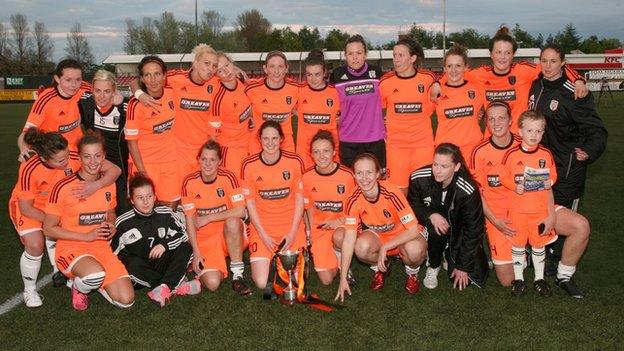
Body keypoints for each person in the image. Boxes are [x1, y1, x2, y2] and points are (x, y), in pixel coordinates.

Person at [470, 102, 591, 298]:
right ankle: (525, 249)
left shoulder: (528, 140)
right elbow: (479, 194)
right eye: (491, 118)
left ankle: (564, 276)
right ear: (486, 122)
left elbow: (545, 183)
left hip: (537, 207)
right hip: (501, 217)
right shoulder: (479, 152)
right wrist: (495, 221)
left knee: (581, 226)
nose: (496, 123)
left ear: (511, 121)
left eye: (501, 117)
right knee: (507, 280)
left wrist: (551, 215)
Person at [9, 129, 121, 307]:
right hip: (31, 208)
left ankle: (70, 273)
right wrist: (57, 221)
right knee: (36, 244)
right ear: (44, 159)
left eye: (68, 155)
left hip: (58, 206)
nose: (68, 161)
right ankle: (29, 290)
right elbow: (26, 208)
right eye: (61, 160)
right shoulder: (29, 167)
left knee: (65, 231)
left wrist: (94, 186)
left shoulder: (75, 156)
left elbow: (114, 170)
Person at [529, 44, 605, 296]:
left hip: (567, 168)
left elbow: (596, 128)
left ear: (563, 63)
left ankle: (560, 264)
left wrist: (590, 151)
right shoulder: (536, 84)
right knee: (542, 210)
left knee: (564, 218)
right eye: (544, 60)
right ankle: (543, 251)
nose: (548, 65)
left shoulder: (575, 92)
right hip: (540, 164)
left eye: (553, 61)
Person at [431, 25, 588, 133]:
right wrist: (438, 83)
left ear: (513, 55)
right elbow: (454, 71)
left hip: (519, 139)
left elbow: (554, 65)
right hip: (491, 139)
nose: (502, 57)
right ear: (491, 54)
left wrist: (578, 80)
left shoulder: (524, 70)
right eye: (498, 52)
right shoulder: (479, 74)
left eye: (507, 53)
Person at [43, 131, 134, 311]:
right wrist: (87, 236)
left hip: (101, 248)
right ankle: (79, 287)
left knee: (127, 300)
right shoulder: (62, 187)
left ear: (104, 156)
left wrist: (112, 225)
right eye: (87, 156)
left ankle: (96, 282)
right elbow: (48, 229)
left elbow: (111, 214)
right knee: (94, 275)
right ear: (79, 158)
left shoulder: (108, 184)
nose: (93, 162)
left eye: (97, 156)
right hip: (71, 248)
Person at [336, 153, 427, 302]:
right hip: (379, 236)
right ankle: (381, 268)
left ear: (378, 173)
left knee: (415, 250)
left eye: (369, 172)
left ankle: (412, 273)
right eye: (359, 173)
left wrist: (385, 248)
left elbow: (413, 229)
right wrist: (343, 277)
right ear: (354, 175)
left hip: (403, 236)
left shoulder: (391, 192)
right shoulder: (353, 198)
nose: (364, 178)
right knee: (360, 247)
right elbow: (348, 240)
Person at [408, 143, 488, 290]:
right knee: (437, 229)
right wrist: (431, 214)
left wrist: (463, 266)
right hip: (429, 226)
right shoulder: (418, 177)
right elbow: (411, 206)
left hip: (458, 230)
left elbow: (474, 229)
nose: (437, 171)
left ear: (456, 167)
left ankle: (447, 250)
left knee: (466, 278)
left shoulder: (468, 189)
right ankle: (434, 265)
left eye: (444, 166)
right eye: (435, 164)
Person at [133, 44, 220, 177]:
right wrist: (140, 94)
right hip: (178, 152)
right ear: (195, 63)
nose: (210, 69)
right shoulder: (175, 78)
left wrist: (239, 71)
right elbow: (135, 81)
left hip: (203, 152)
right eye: (206, 63)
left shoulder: (215, 83)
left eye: (214, 66)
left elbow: (233, 76)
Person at [112, 174, 200, 307]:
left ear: (154, 196)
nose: (146, 202)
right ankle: (175, 286)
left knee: (185, 247)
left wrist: (164, 245)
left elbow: (183, 234)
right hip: (140, 270)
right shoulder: (123, 222)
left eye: (149, 196)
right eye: (140, 198)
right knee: (131, 263)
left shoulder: (165, 213)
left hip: (161, 261)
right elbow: (113, 252)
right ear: (132, 200)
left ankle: (163, 288)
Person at [240, 121, 306, 289]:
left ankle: (288, 256)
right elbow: (250, 203)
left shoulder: (295, 161)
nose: (270, 143)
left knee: (298, 280)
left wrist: (292, 233)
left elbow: (299, 200)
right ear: (259, 140)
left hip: (291, 226)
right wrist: (263, 235)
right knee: (262, 283)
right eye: (266, 138)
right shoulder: (249, 165)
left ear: (282, 139)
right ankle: (270, 258)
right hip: (263, 228)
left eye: (274, 138)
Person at [181, 140, 252, 296]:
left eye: (212, 160)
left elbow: (241, 211)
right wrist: (197, 252)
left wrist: (209, 217)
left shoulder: (229, 177)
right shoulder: (189, 182)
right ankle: (197, 265)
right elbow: (190, 220)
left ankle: (238, 275)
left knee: (233, 222)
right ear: (198, 159)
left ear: (219, 162)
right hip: (205, 238)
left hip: (230, 233)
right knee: (212, 283)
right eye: (204, 159)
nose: (207, 164)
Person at [500, 110, 557, 297]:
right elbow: (503, 177)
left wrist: (551, 181)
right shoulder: (511, 154)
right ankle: (519, 280)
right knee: (517, 245)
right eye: (530, 131)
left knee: (538, 246)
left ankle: (539, 279)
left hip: (539, 212)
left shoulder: (546, 154)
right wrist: (514, 186)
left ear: (543, 132)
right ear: (520, 131)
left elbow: (553, 175)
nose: (534, 135)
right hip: (518, 211)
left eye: (539, 131)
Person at [379, 38, 436, 193]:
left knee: (424, 189)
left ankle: (423, 218)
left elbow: (435, 104)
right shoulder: (385, 82)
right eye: (394, 55)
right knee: (399, 191)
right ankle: (402, 218)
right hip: (396, 145)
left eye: (401, 55)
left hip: (422, 144)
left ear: (413, 58)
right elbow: (380, 110)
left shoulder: (428, 79)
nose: (396, 60)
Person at [125, 55, 180, 210]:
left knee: (170, 209)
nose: (153, 79)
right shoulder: (135, 105)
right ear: (142, 78)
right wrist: (142, 172)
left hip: (170, 161)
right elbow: (131, 142)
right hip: (145, 163)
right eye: (147, 75)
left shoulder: (172, 92)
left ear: (164, 76)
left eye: (157, 74)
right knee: (145, 209)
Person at [302, 130, 355, 285]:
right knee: (326, 280)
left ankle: (344, 264)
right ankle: (336, 257)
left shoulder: (347, 176)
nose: (321, 156)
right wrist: (309, 231)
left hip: (343, 226)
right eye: (316, 152)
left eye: (326, 151)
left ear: (334, 152)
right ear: (311, 154)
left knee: (339, 237)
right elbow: (308, 208)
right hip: (320, 229)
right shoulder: (306, 177)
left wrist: (339, 221)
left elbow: (357, 209)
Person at [330, 34, 386, 170]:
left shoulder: (377, 73)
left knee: (376, 183)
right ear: (345, 56)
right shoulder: (337, 75)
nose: (355, 57)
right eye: (351, 54)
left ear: (365, 54)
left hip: (374, 140)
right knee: (351, 183)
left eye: (359, 53)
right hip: (348, 140)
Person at [17, 59, 91, 160]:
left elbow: (104, 89)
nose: (74, 84)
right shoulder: (45, 100)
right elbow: (26, 133)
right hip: (55, 155)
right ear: (57, 78)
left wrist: (116, 96)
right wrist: (24, 149)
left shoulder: (84, 88)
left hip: (78, 153)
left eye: (78, 79)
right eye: (68, 80)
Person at [79, 69, 130, 215]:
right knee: (93, 210)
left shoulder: (125, 108)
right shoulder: (85, 103)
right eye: (97, 90)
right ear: (92, 90)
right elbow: (71, 87)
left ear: (114, 90)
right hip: (93, 165)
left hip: (120, 168)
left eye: (107, 91)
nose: (101, 96)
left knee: (121, 210)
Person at [434, 44, 485, 158]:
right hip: (446, 152)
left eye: (458, 65)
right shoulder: (436, 91)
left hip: (473, 149)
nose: (453, 70)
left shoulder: (477, 89)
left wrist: (483, 113)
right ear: (444, 68)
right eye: (449, 66)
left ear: (466, 67)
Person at [245, 51, 299, 153]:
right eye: (272, 66)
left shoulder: (295, 88)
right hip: (259, 144)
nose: (276, 71)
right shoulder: (252, 88)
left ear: (286, 68)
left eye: (280, 66)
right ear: (265, 69)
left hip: (285, 144)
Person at [296, 50, 340, 168]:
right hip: (305, 154)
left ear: (324, 73)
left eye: (317, 74)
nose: (313, 79)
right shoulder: (298, 91)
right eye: (309, 74)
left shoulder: (335, 93)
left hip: (329, 153)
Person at [212, 52, 254, 173]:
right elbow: (213, 136)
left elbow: (249, 106)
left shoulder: (242, 83)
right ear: (216, 75)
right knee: (235, 188)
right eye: (220, 71)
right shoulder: (218, 99)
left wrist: (251, 118)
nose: (226, 71)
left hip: (249, 145)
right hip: (231, 151)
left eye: (227, 65)